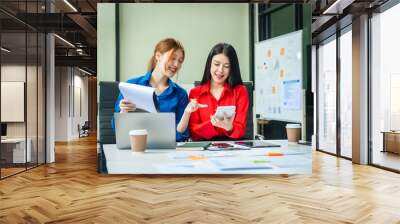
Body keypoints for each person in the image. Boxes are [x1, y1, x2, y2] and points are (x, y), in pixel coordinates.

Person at [114, 38, 189, 142]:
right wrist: (123, 111)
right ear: (158, 56)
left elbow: (183, 134)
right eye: (173, 58)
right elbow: (116, 127)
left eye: (180, 61)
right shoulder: (131, 86)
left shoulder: (180, 94)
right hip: (136, 147)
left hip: (167, 150)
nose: (176, 64)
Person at [178, 43, 249, 141]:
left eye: (226, 66)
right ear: (209, 64)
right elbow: (193, 132)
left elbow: (241, 130)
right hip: (204, 148)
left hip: (233, 147)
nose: (220, 70)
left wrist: (230, 128)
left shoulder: (240, 91)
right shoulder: (195, 93)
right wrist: (212, 125)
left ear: (232, 69)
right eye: (216, 64)